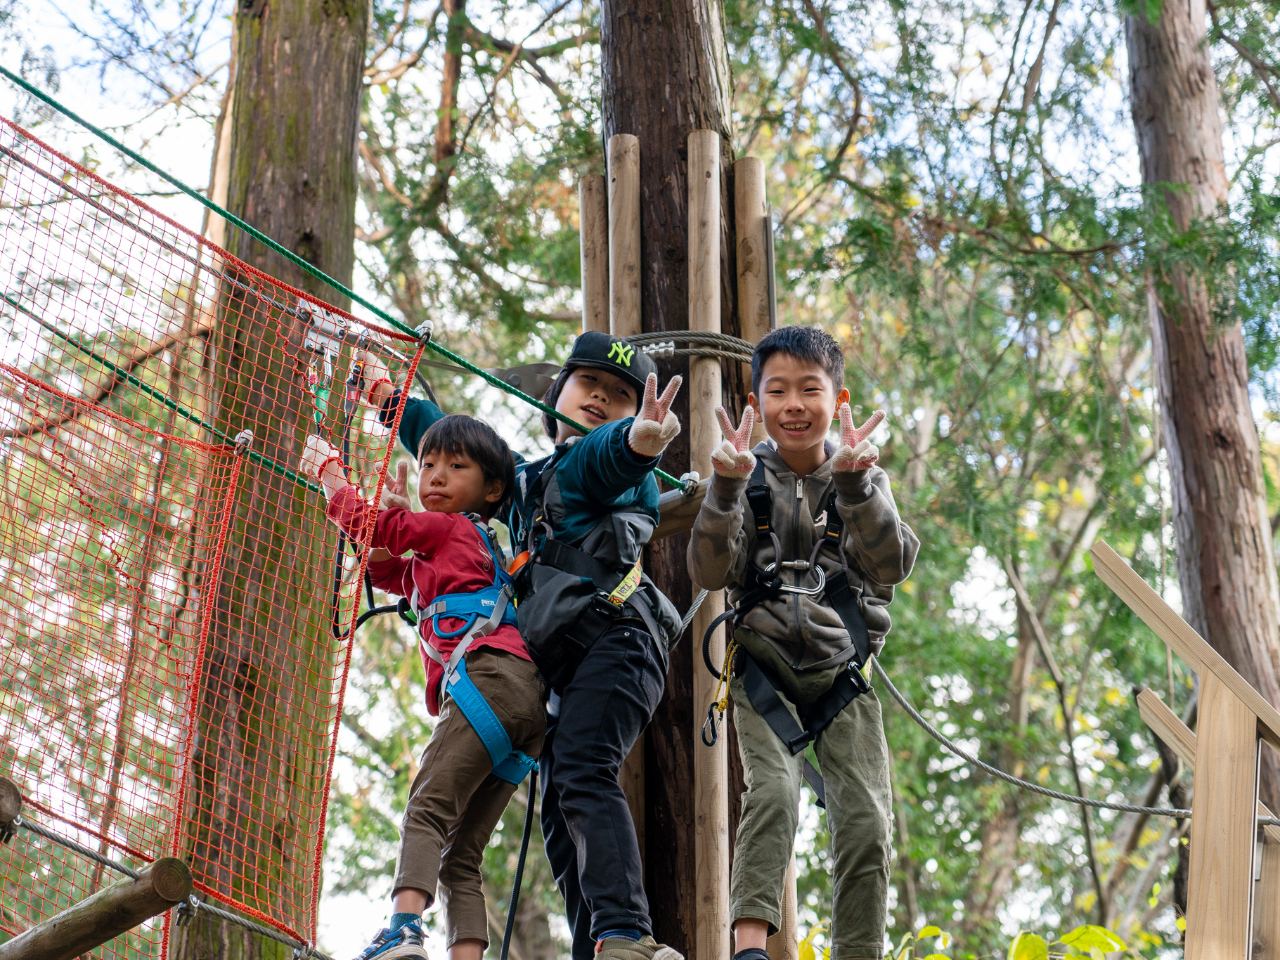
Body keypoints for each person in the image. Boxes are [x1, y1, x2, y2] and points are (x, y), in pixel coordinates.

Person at [362, 332, 685, 960]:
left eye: (619, 395)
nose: (600, 398)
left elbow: (607, 459)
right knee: (561, 807)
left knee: (584, 768)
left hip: (619, 640)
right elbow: (459, 448)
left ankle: (626, 935)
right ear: (555, 393)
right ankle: (598, 945)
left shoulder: (600, 468)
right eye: (588, 383)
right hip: (566, 663)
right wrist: (386, 398)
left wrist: (638, 440)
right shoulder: (524, 483)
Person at [687, 326, 919, 960]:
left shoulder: (861, 476)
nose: (794, 405)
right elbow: (710, 571)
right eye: (778, 391)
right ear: (756, 401)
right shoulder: (742, 477)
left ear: (836, 399)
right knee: (773, 793)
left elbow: (890, 564)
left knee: (866, 819)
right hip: (762, 670)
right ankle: (750, 947)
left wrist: (855, 488)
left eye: (809, 390)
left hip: (841, 675)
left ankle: (858, 951)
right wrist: (724, 491)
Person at [300, 415, 545, 960]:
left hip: (489, 684)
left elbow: (373, 529)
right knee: (461, 855)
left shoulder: (451, 528)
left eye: (456, 467)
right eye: (428, 464)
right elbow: (387, 572)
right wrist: (391, 520)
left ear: (492, 490)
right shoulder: (470, 547)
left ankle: (405, 928)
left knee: (426, 808)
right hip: (524, 707)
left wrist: (330, 476)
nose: (435, 475)